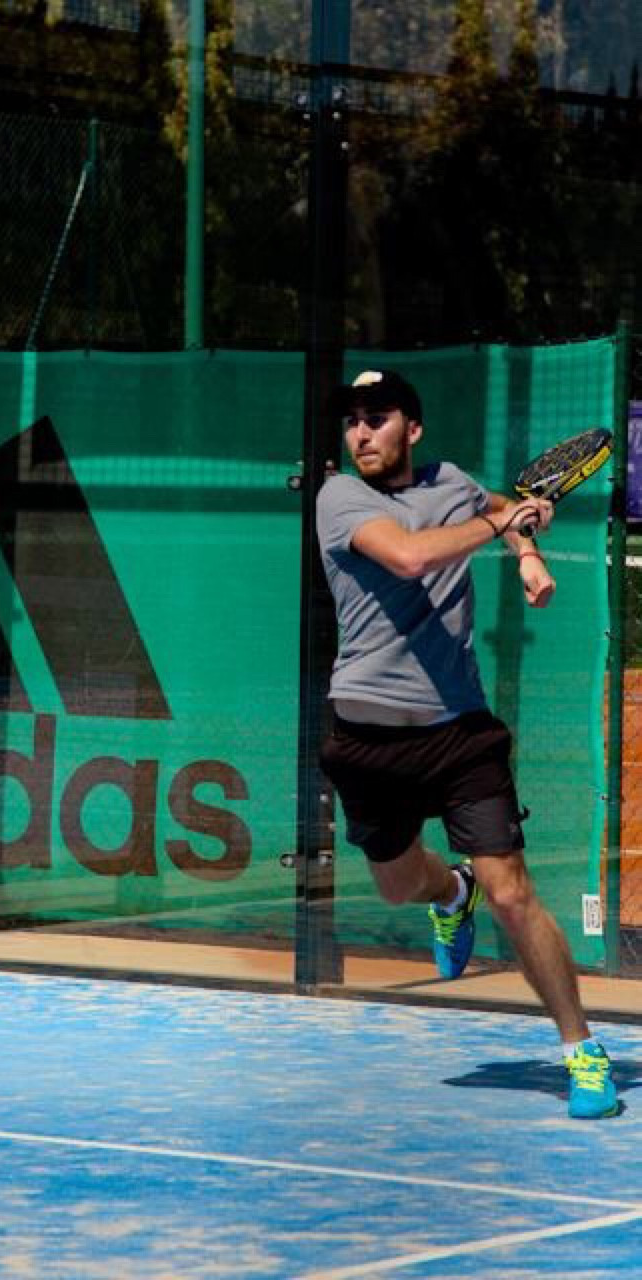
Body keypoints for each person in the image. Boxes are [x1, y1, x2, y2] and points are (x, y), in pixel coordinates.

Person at [316, 368, 618, 1120]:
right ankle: (452, 894)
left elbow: (505, 512)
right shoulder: (339, 497)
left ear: (412, 429)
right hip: (366, 738)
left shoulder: (450, 481)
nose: (361, 433)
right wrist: (503, 527)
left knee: (512, 891)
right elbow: (411, 557)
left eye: (377, 417)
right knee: (397, 886)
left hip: (459, 733)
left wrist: (528, 551)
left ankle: (582, 1051)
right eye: (352, 421)